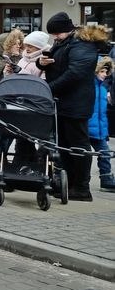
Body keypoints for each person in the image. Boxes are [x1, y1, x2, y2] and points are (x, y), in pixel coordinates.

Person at [39, 13, 109, 200]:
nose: (55, 37)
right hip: (62, 102)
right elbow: (58, 64)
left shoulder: (82, 44)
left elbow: (75, 73)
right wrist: (42, 63)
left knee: (78, 145)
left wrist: (48, 88)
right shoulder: (65, 41)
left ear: (67, 30)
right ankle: (68, 184)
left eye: (57, 33)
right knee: (64, 145)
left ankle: (82, 187)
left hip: (76, 103)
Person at [89, 58, 114, 193]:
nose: (105, 74)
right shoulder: (89, 87)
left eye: (106, 71)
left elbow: (102, 113)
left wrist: (104, 132)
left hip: (99, 129)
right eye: (102, 71)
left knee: (105, 154)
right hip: (86, 128)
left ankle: (106, 179)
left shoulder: (103, 89)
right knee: (83, 156)